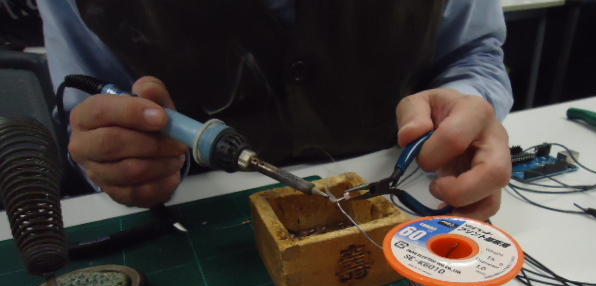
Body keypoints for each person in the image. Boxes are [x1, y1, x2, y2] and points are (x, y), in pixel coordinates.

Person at [37, 0, 513, 220]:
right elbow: (92, 112)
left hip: (410, 191)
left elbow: (474, 53)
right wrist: (121, 159)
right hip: (197, 220)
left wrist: (468, 100)